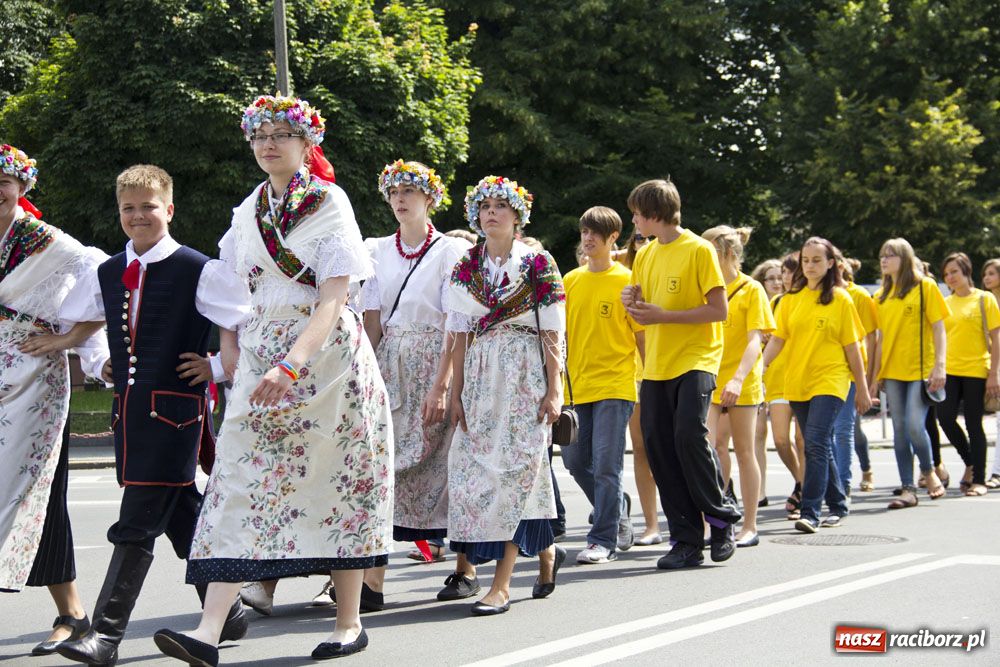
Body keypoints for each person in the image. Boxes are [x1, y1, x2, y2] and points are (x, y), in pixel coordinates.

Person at [153, 95, 392, 664]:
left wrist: (292, 364)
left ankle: (349, 622)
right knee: (237, 477)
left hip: (327, 362)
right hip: (262, 354)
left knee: (339, 480)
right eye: (260, 135)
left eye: (282, 134)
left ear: (307, 143)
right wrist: (230, 347)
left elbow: (334, 298)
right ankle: (208, 631)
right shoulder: (248, 210)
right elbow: (231, 287)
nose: (268, 144)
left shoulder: (329, 201)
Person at [54, 165, 249, 666]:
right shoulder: (107, 270)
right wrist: (100, 362)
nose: (138, 216)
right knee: (182, 515)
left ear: (170, 209)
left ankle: (105, 636)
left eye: (148, 206)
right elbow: (79, 321)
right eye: (128, 208)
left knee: (136, 523)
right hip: (130, 415)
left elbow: (251, 322)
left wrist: (215, 367)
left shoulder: (198, 268)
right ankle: (227, 612)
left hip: (176, 417)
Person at [0, 143, 107, 656]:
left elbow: (108, 282)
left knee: (37, 493)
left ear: (22, 187)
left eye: (3, 183)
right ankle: (74, 615)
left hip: (32, 382)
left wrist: (67, 339)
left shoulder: (48, 243)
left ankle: (73, 615)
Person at [444, 175, 567, 615]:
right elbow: (459, 333)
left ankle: (501, 585)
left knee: (513, 473)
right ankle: (547, 552)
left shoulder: (537, 263)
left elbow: (552, 328)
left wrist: (555, 387)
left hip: (522, 373)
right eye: (484, 206)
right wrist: (455, 392)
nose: (491, 213)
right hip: (480, 375)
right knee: (471, 474)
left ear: (517, 216)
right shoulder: (466, 265)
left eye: (500, 206)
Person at [360, 159, 472, 604]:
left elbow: (456, 322)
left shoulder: (450, 251)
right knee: (381, 467)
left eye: (409, 191)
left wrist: (443, 384)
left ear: (430, 198)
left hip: (437, 361)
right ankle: (371, 581)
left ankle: (465, 568)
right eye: (394, 192)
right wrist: (363, 374)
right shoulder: (375, 249)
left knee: (449, 462)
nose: (400, 199)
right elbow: (371, 323)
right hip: (390, 364)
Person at [620, 178, 741, 570]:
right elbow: (644, 309)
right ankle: (686, 540)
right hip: (656, 364)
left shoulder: (699, 249)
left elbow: (719, 310)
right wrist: (631, 300)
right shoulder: (645, 255)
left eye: (637, 213)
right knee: (659, 448)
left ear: (655, 213)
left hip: (697, 359)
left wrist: (664, 315)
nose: (634, 220)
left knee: (689, 434)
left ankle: (720, 517)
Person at [762, 237, 870, 532]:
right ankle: (838, 505)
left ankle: (809, 512)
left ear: (831, 263)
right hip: (798, 382)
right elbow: (778, 340)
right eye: (806, 260)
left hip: (831, 380)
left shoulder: (841, 299)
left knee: (815, 441)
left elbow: (852, 348)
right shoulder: (790, 300)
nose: (810, 266)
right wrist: (760, 367)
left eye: (817, 260)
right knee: (819, 444)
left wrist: (862, 388)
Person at [562, 206, 643, 564]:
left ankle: (602, 539)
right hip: (576, 386)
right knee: (575, 461)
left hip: (616, 383)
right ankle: (617, 509)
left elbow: (642, 337)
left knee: (607, 464)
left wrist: (650, 382)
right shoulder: (570, 280)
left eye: (596, 232)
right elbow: (560, 335)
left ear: (613, 238)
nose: (588, 238)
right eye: (584, 231)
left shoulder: (627, 281)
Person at [702, 226, 774, 548]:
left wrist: (738, 378)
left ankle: (750, 524)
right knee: (710, 448)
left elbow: (755, 340)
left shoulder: (751, 289)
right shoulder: (706, 288)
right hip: (710, 379)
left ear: (728, 253)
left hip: (742, 379)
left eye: (710, 252)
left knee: (745, 450)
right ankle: (720, 517)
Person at [869, 238, 949, 510]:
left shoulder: (925, 287)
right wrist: (874, 377)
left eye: (890, 255)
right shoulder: (880, 296)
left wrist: (940, 365)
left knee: (915, 425)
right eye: (882, 255)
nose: (884, 260)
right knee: (900, 430)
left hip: (920, 369)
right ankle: (908, 488)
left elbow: (939, 328)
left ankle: (928, 470)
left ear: (904, 258)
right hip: (892, 371)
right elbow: (879, 339)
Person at [937, 252, 999, 497]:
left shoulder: (984, 299)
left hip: (976, 369)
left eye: (954, 271)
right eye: (946, 274)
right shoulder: (945, 303)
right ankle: (970, 462)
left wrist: (994, 373)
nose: (950, 277)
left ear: (966, 271)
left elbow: (996, 338)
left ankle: (979, 480)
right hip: (949, 371)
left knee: (974, 424)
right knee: (945, 417)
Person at [614, 228, 661, 545]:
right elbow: (591, 258)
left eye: (650, 238)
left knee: (669, 448)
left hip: (666, 368)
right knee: (641, 448)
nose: (645, 244)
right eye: (639, 239)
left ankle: (695, 519)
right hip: (635, 373)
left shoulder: (666, 268)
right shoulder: (626, 278)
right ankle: (651, 525)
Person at [831, 257, 878, 495]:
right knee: (835, 430)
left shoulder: (858, 295)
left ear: (839, 267)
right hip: (829, 372)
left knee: (846, 429)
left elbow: (871, 337)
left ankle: (848, 480)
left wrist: (867, 380)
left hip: (853, 371)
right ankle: (835, 481)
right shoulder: (821, 295)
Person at [764, 252, 807, 519]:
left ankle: (804, 493)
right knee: (780, 439)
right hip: (778, 379)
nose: (785, 277)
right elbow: (769, 336)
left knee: (802, 440)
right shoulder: (777, 301)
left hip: (803, 378)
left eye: (790, 271)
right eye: (784, 271)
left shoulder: (810, 299)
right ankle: (801, 482)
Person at [749, 258, 783, 505]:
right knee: (758, 433)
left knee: (788, 439)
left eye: (780, 277)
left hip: (784, 373)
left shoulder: (787, 303)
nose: (777, 282)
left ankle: (802, 484)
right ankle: (759, 491)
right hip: (759, 374)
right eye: (771, 278)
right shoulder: (757, 302)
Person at [981, 258, 1000, 489]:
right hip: (992, 364)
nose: (986, 278)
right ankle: (996, 471)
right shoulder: (984, 301)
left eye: (992, 273)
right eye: (985, 274)